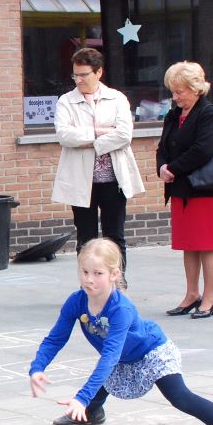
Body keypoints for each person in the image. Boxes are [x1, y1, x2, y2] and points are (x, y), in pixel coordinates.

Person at [28, 239, 213, 425]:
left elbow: (110, 357)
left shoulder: (121, 309)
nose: (89, 279)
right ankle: (92, 411)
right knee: (111, 370)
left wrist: (81, 397)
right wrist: (37, 368)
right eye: (85, 271)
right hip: (122, 357)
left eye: (98, 273)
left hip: (152, 352)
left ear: (114, 274)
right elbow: (55, 338)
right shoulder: (76, 301)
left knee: (180, 397)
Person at [52, 47, 145, 288]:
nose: (79, 80)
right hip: (82, 181)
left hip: (113, 179)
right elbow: (64, 136)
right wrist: (100, 133)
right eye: (75, 75)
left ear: (99, 72)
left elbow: (124, 135)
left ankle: (118, 283)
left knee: (115, 235)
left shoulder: (117, 98)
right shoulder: (66, 101)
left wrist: (90, 142)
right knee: (86, 236)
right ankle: (89, 284)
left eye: (84, 75)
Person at [156, 61, 213, 320]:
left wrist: (173, 168)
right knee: (189, 244)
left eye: (179, 91)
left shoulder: (208, 113)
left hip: (204, 189)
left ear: (195, 88)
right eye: (173, 91)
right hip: (181, 189)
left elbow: (202, 149)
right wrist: (162, 166)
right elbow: (162, 145)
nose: (175, 97)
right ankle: (191, 294)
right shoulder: (174, 115)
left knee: (207, 245)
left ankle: (209, 297)